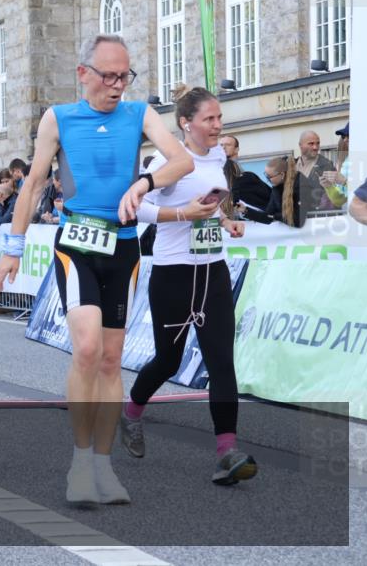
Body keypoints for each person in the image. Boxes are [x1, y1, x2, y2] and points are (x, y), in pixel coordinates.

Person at [0, 34, 193, 504]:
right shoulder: (57, 118)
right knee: (85, 348)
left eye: (125, 75)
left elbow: (181, 159)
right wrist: (13, 246)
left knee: (109, 358)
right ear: (83, 73)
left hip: (122, 249)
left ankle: (103, 467)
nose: (118, 85)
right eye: (109, 76)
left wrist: (145, 182)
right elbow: (34, 183)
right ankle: (80, 463)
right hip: (77, 245)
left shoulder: (139, 113)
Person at [119, 85, 257, 486]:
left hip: (212, 271)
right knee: (169, 360)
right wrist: (183, 214)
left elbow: (210, 205)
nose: (218, 125)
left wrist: (223, 220)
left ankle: (226, 451)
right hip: (173, 273)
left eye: (219, 118)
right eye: (209, 119)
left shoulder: (217, 155)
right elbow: (136, 208)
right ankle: (131, 413)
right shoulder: (164, 160)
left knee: (221, 361)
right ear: (186, 123)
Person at [295, 131, 335, 214]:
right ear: (300, 145)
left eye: (318, 143)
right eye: (311, 144)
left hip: (318, 219)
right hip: (296, 220)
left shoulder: (327, 166)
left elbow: (336, 197)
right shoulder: (291, 166)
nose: (315, 147)